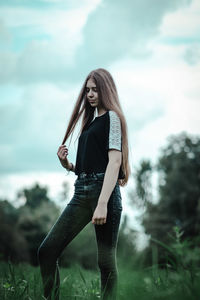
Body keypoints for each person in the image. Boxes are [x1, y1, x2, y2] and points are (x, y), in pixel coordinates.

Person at [37, 68, 131, 300]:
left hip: (104, 194)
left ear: (106, 90)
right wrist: (67, 164)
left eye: (95, 89)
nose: (90, 94)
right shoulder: (90, 122)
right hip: (82, 192)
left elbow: (114, 161)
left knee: (105, 262)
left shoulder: (112, 117)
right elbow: (88, 164)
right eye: (87, 90)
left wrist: (102, 204)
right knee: (47, 251)